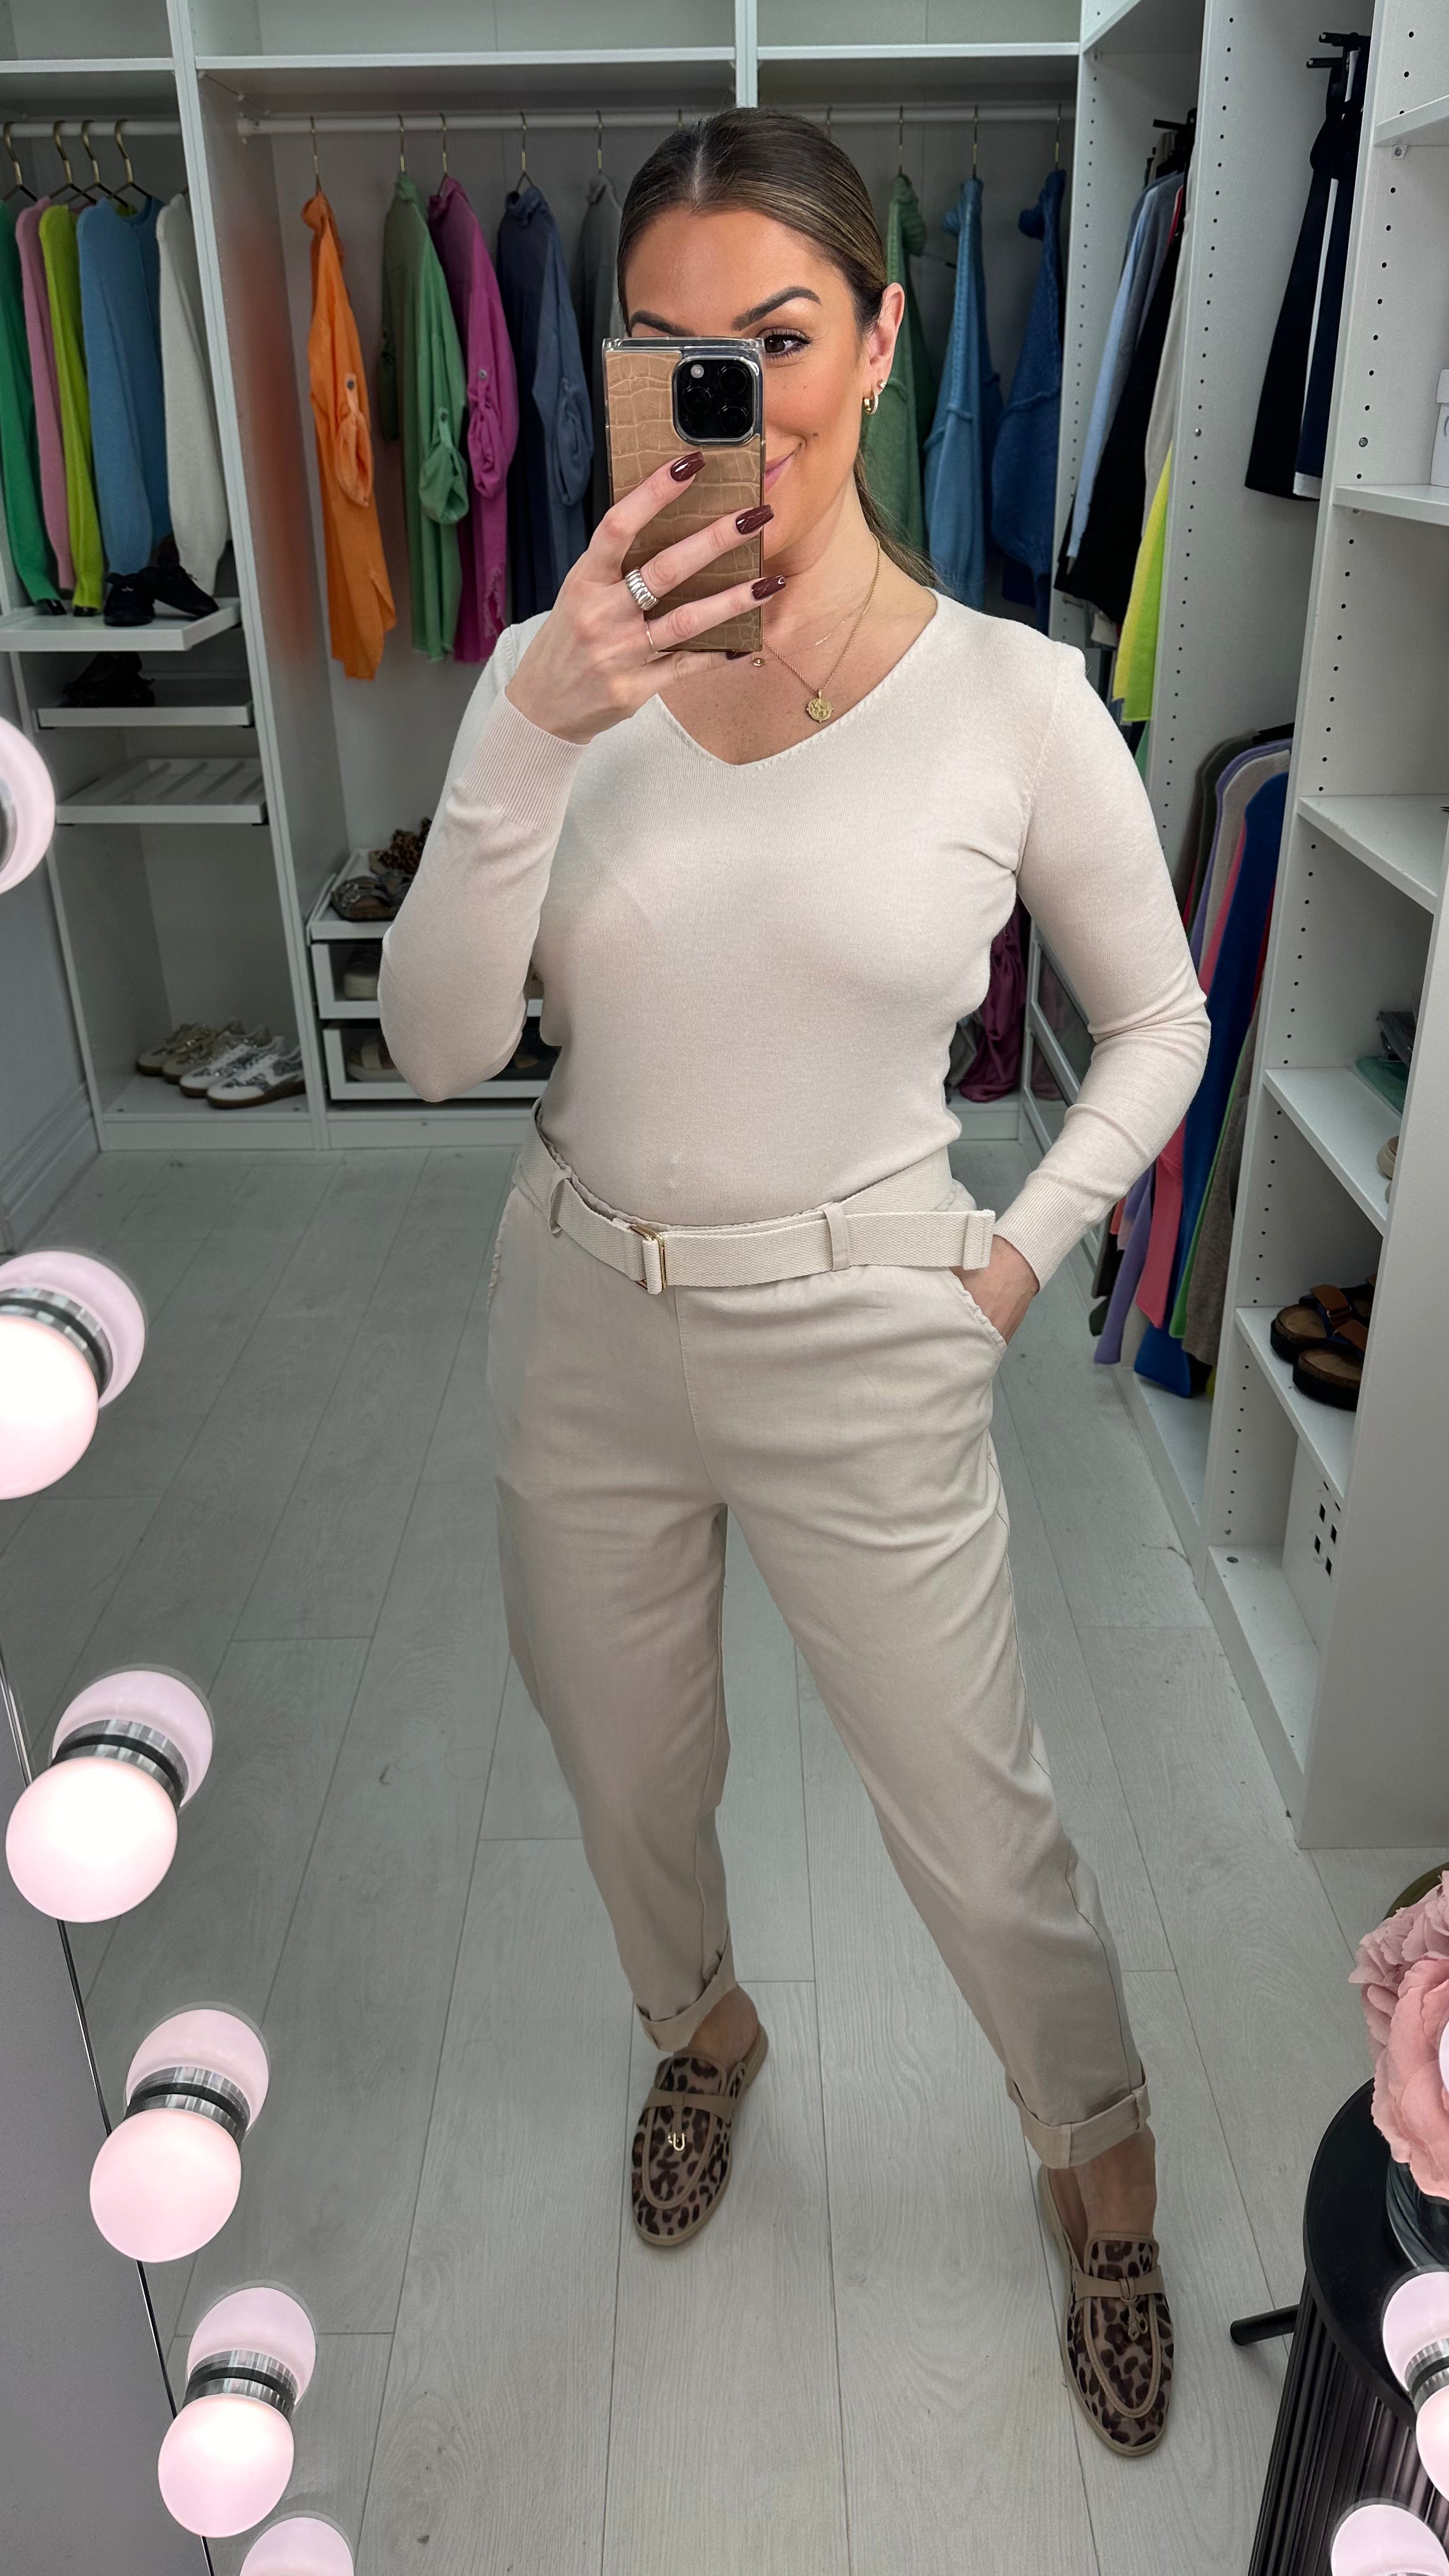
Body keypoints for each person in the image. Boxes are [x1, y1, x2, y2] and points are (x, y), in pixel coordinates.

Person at [378, 107, 1209, 2461]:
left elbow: (1159, 1020)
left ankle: (1097, 2154)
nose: (728, 394)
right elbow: (436, 1049)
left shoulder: (1012, 698)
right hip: (581, 1314)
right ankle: (699, 2035)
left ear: (882, 339)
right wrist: (528, 734)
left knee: (976, 1812)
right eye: (668, 350)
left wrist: (1014, 1258)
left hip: (873, 1331)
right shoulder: (549, 677)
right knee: (623, 1771)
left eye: (780, 335)